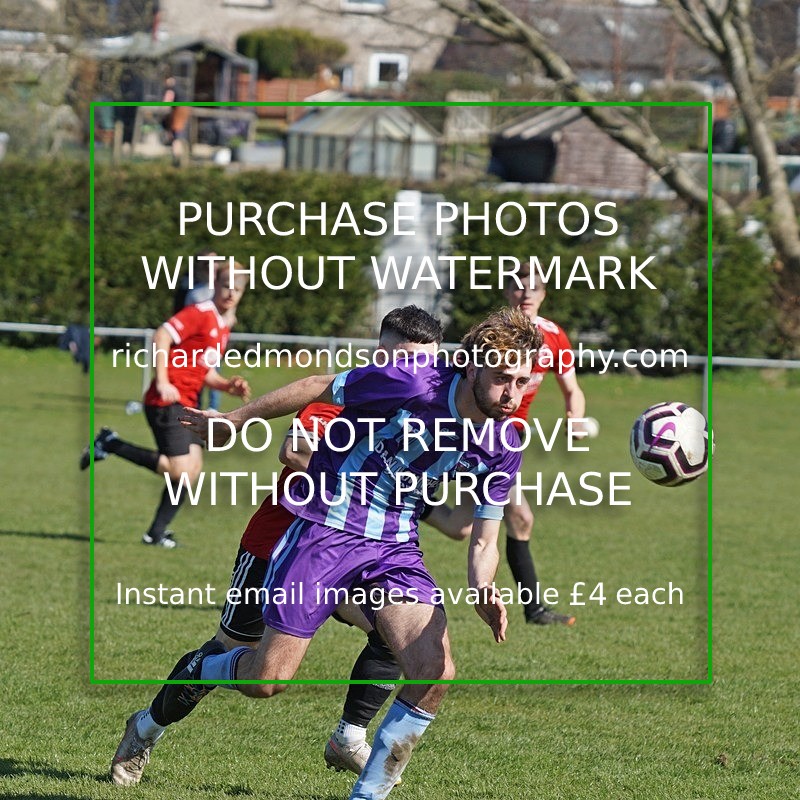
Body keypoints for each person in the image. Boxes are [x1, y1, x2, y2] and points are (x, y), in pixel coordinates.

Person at [112, 306, 541, 800]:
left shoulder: (504, 442)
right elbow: (318, 387)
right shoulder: (408, 383)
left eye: (523, 382)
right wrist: (236, 419)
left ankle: (365, 779)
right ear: (470, 365)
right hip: (321, 532)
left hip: (392, 548)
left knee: (434, 669)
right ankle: (159, 711)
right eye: (501, 379)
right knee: (263, 681)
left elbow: (485, 536)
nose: (511, 394)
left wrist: (483, 587)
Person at [423, 262, 585, 626]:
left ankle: (413, 499)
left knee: (460, 527)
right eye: (518, 286)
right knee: (522, 518)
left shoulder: (554, 337)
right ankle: (535, 609)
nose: (526, 293)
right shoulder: (493, 337)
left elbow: (573, 391)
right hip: (480, 441)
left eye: (534, 288)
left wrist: (574, 418)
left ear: (544, 294)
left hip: (504, 448)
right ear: (507, 292)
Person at [81, 263, 251, 548]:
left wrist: (226, 386)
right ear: (215, 286)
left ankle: (155, 534)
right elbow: (161, 335)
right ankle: (110, 443)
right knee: (180, 470)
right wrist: (162, 380)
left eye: (237, 288)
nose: (230, 293)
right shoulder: (200, 313)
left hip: (188, 402)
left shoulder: (224, 326)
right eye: (226, 286)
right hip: (166, 400)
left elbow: (203, 369)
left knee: (191, 471)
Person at [162, 75, 190, 167]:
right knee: (179, 134)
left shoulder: (171, 89)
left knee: (176, 136)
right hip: (183, 111)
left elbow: (166, 103)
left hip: (178, 111)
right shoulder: (180, 89)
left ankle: (177, 159)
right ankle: (179, 157)